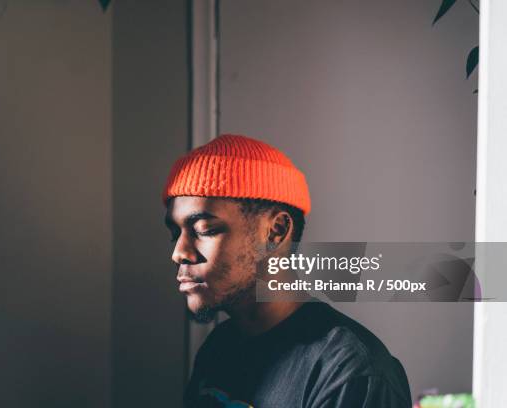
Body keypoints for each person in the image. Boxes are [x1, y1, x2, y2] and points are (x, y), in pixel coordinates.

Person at [163, 134, 412, 408]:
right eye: (175, 233)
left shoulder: (351, 373)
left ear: (276, 231)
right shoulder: (218, 348)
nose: (178, 252)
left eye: (204, 230)